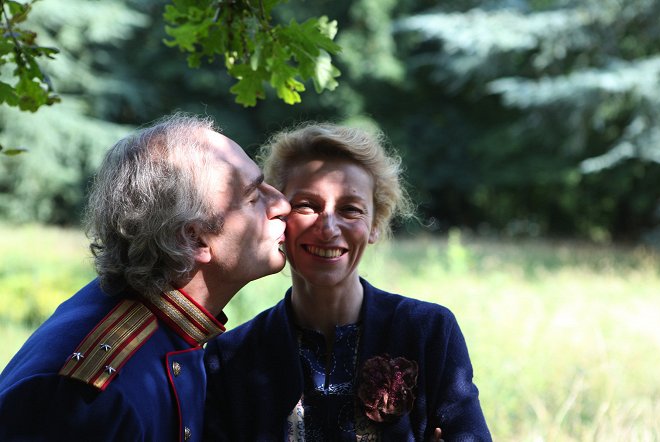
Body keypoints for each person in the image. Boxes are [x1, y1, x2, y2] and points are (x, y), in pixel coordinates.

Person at [0, 113, 291, 441]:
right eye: (253, 198)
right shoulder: (89, 393)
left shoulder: (169, 326)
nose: (282, 203)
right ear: (193, 239)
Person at [204, 122, 491, 441]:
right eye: (307, 205)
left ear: (374, 226)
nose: (328, 227)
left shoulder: (429, 332)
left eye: (350, 209)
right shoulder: (229, 356)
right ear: (279, 217)